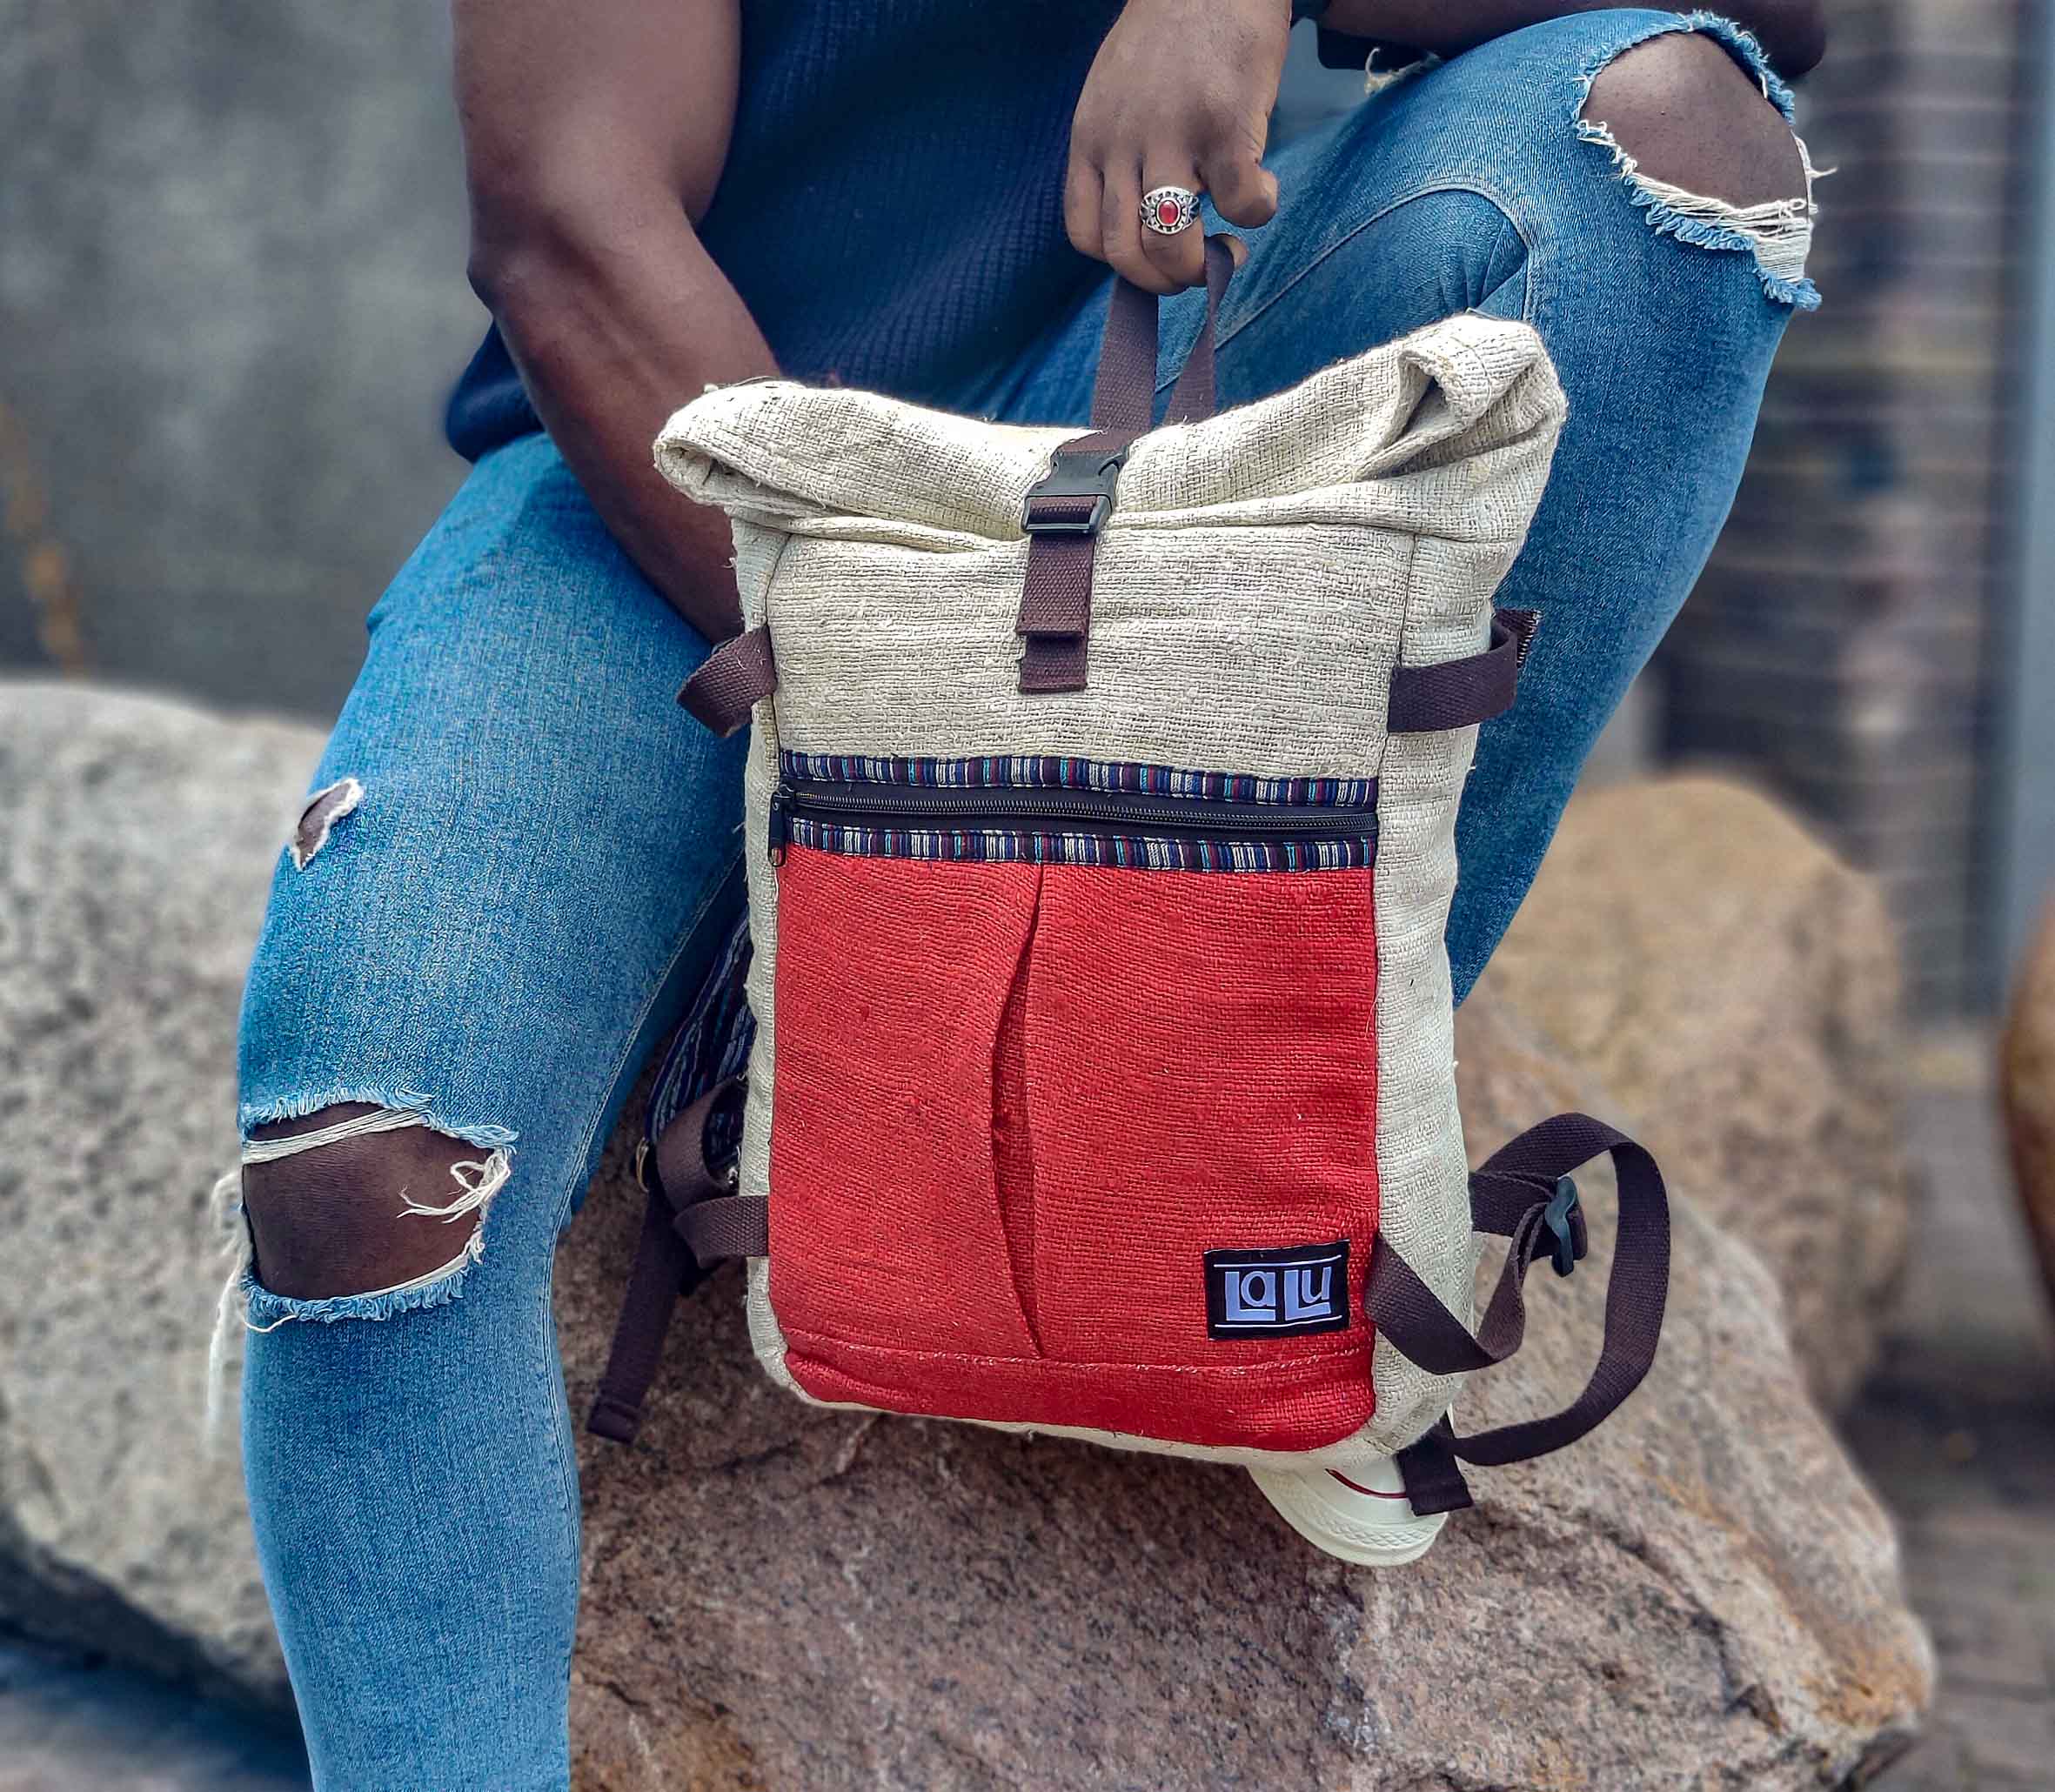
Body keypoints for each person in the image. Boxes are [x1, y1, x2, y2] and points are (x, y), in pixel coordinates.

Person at [224, 2, 1826, 1784]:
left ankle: (1291, 1182)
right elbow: (568, 215)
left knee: (1671, 132)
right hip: (683, 433)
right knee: (365, 1173)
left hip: (1190, 383)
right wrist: (912, 760)